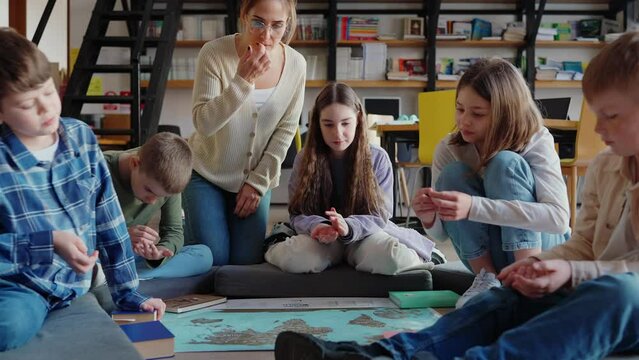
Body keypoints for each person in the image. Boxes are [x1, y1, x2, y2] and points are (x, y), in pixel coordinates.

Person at [273, 31, 639, 360]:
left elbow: (568, 228)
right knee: (506, 297)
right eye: (460, 110)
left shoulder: (534, 142)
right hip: (581, 280)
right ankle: (380, 356)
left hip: (616, 296)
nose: (596, 128)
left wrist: (567, 268)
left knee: (619, 292)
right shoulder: (608, 166)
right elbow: (585, 244)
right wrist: (546, 266)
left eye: (611, 115)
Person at [0, 28, 164, 351]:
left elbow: (110, 222)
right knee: (9, 326)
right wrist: (47, 244)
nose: (46, 110)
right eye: (26, 105)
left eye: (48, 93)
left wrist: (130, 293)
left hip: (76, 284)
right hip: (21, 286)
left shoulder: (81, 139)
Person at [412, 58, 570, 307]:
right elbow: (442, 235)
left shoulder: (536, 139)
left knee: (505, 163)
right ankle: (486, 280)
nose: (464, 121)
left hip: (541, 252)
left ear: (505, 113)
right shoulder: (450, 148)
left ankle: (528, 282)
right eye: (460, 109)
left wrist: (473, 206)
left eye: (477, 114)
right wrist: (429, 217)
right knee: (453, 174)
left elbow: (558, 219)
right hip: (489, 257)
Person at [265, 82, 439, 275]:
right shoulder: (304, 158)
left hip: (364, 236)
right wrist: (318, 226)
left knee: (393, 259)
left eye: (345, 123)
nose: (337, 133)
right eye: (328, 124)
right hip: (320, 239)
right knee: (295, 258)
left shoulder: (378, 157)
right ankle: (280, 241)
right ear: (317, 123)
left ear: (358, 119)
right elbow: (298, 214)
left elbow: (380, 215)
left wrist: (348, 227)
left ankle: (422, 254)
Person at [183, 0, 306, 265]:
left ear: (288, 23)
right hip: (206, 174)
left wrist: (258, 183)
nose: (266, 35)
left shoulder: (296, 65)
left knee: (246, 266)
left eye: (277, 26)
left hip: (254, 181)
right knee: (212, 262)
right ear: (243, 15)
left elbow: (285, 131)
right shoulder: (214, 53)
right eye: (258, 22)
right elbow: (203, 123)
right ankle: (187, 237)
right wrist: (242, 80)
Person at [103, 132, 212, 279]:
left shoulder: (168, 177)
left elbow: (174, 232)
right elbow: (76, 232)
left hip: (131, 257)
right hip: (101, 254)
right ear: (135, 164)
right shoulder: (98, 169)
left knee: (204, 255)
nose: (152, 201)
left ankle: (134, 277)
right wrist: (120, 235)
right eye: (149, 190)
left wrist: (160, 253)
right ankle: (125, 279)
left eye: (161, 196)